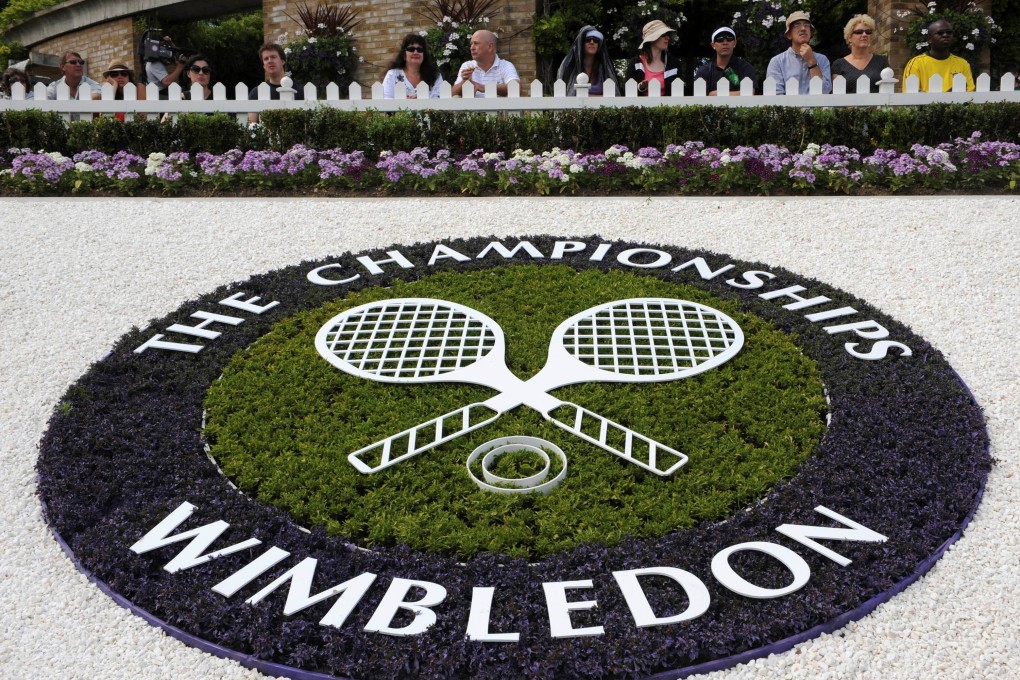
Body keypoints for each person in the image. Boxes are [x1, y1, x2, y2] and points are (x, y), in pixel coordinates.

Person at [766, 11, 831, 94]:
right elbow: (776, 96)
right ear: (789, 35)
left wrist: (812, 62)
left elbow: (825, 92)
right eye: (797, 25)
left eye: (806, 25)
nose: (803, 28)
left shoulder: (822, 59)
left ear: (811, 33)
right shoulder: (777, 62)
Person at [902, 19, 975, 92]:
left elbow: (970, 94)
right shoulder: (916, 63)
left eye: (949, 32)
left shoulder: (963, 64)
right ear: (929, 39)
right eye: (940, 33)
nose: (945, 35)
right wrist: (947, 96)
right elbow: (910, 93)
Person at [830, 14, 889, 94]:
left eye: (868, 32)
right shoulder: (839, 65)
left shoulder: (882, 61)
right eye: (859, 32)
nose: (864, 35)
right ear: (849, 37)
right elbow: (836, 95)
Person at [452, 30, 520, 97]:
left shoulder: (505, 66)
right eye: (471, 44)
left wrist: (484, 87)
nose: (472, 48)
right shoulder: (467, 66)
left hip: (498, 105)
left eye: (476, 43)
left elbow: (516, 87)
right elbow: (453, 94)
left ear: (490, 47)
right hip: (472, 105)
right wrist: (464, 82)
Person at [556, 26, 620, 96]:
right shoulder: (568, 65)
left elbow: (613, 96)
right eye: (587, 39)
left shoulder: (604, 68)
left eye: (596, 40)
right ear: (581, 44)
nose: (592, 42)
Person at [248, 43, 303, 123]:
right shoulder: (255, 93)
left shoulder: (299, 91)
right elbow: (252, 125)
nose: (270, 61)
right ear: (264, 66)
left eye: (273, 57)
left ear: (282, 61)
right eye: (266, 59)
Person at [694, 26, 756, 95]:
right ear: (713, 45)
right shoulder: (704, 71)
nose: (725, 42)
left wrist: (715, 94)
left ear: (735, 43)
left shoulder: (745, 67)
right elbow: (699, 98)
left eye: (729, 38)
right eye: (720, 39)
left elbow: (750, 92)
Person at [625, 20, 681, 96]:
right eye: (663, 35)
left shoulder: (674, 63)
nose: (667, 38)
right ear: (652, 39)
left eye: (668, 35)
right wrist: (640, 87)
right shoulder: (635, 63)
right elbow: (628, 92)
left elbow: (680, 92)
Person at [382, 34, 443, 99]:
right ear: (404, 55)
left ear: (424, 55)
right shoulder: (392, 75)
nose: (416, 52)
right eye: (411, 49)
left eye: (419, 49)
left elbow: (440, 100)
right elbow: (386, 99)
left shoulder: (435, 76)